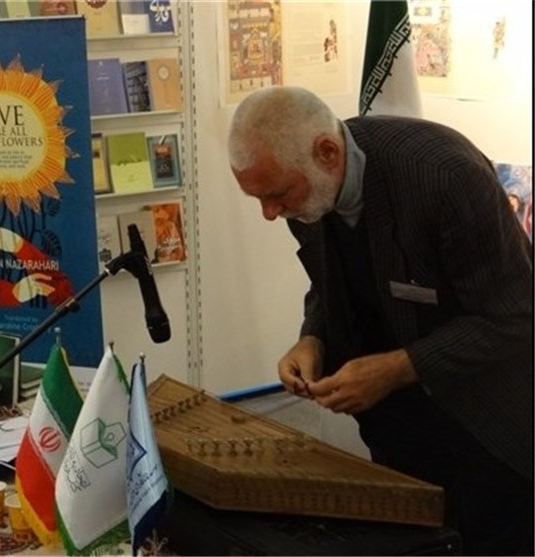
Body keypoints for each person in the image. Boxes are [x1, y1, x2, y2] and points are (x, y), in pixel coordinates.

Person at [227, 86, 533, 556]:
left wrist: (396, 367)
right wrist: (313, 338)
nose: (270, 214)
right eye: (258, 199)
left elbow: (515, 315)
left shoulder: (444, 176)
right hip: (401, 436)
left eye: (277, 195)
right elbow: (328, 283)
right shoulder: (305, 191)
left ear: (327, 153)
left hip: (489, 430)